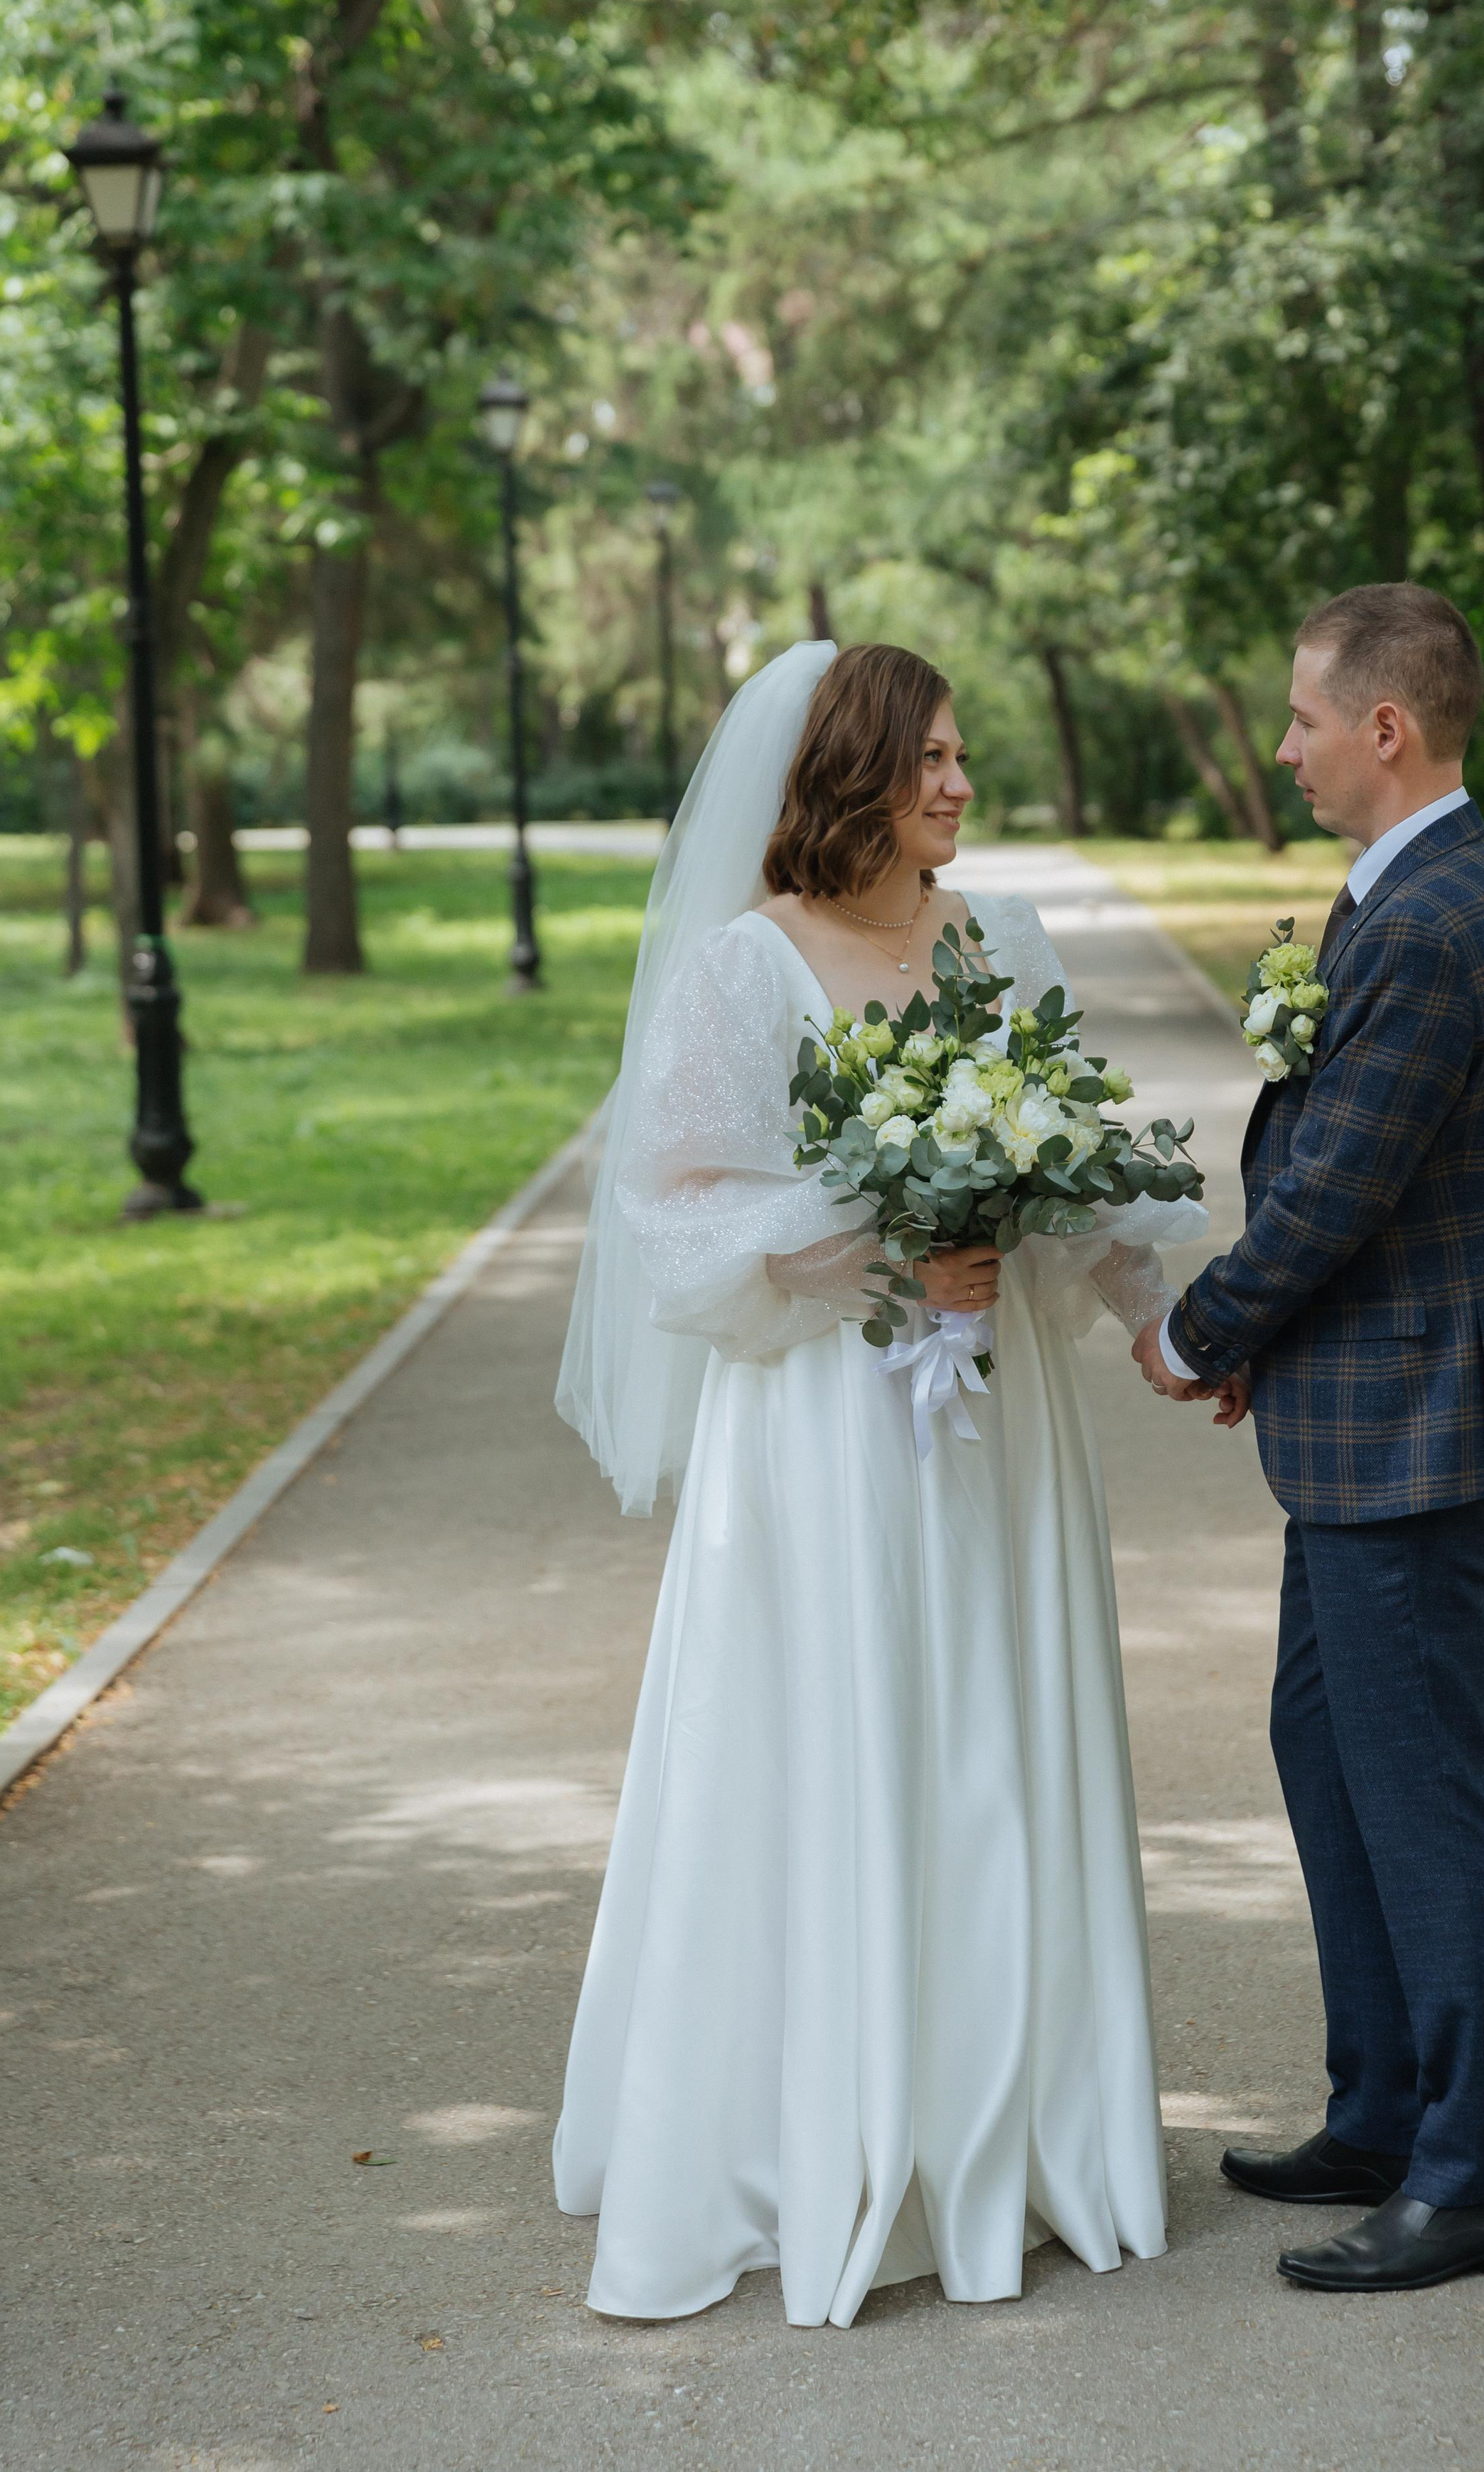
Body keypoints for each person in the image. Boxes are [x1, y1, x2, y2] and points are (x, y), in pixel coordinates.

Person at [553, 638, 1206, 2327]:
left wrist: (1148, 1312)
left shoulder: (989, 941)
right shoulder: (745, 967)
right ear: (850, 772)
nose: (958, 784)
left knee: (996, 1736)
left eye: (962, 756)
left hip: (1001, 1425)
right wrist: (874, 1249)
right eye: (929, 759)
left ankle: (1020, 2130)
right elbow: (671, 1211)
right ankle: (827, 2135)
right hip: (825, 1434)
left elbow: (1070, 1168)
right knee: (842, 1736)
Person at [1134, 581, 1484, 2295]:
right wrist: (1268, 1343)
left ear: (1384, 728)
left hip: (1407, 1431)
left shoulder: (1432, 922)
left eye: (1303, 718)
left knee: (1421, 1792)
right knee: (1324, 1747)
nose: (1283, 747)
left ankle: (1471, 2177)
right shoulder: (1401, 890)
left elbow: (1333, 1197)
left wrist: (1198, 1330)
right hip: (1362, 1417)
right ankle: (1381, 2108)